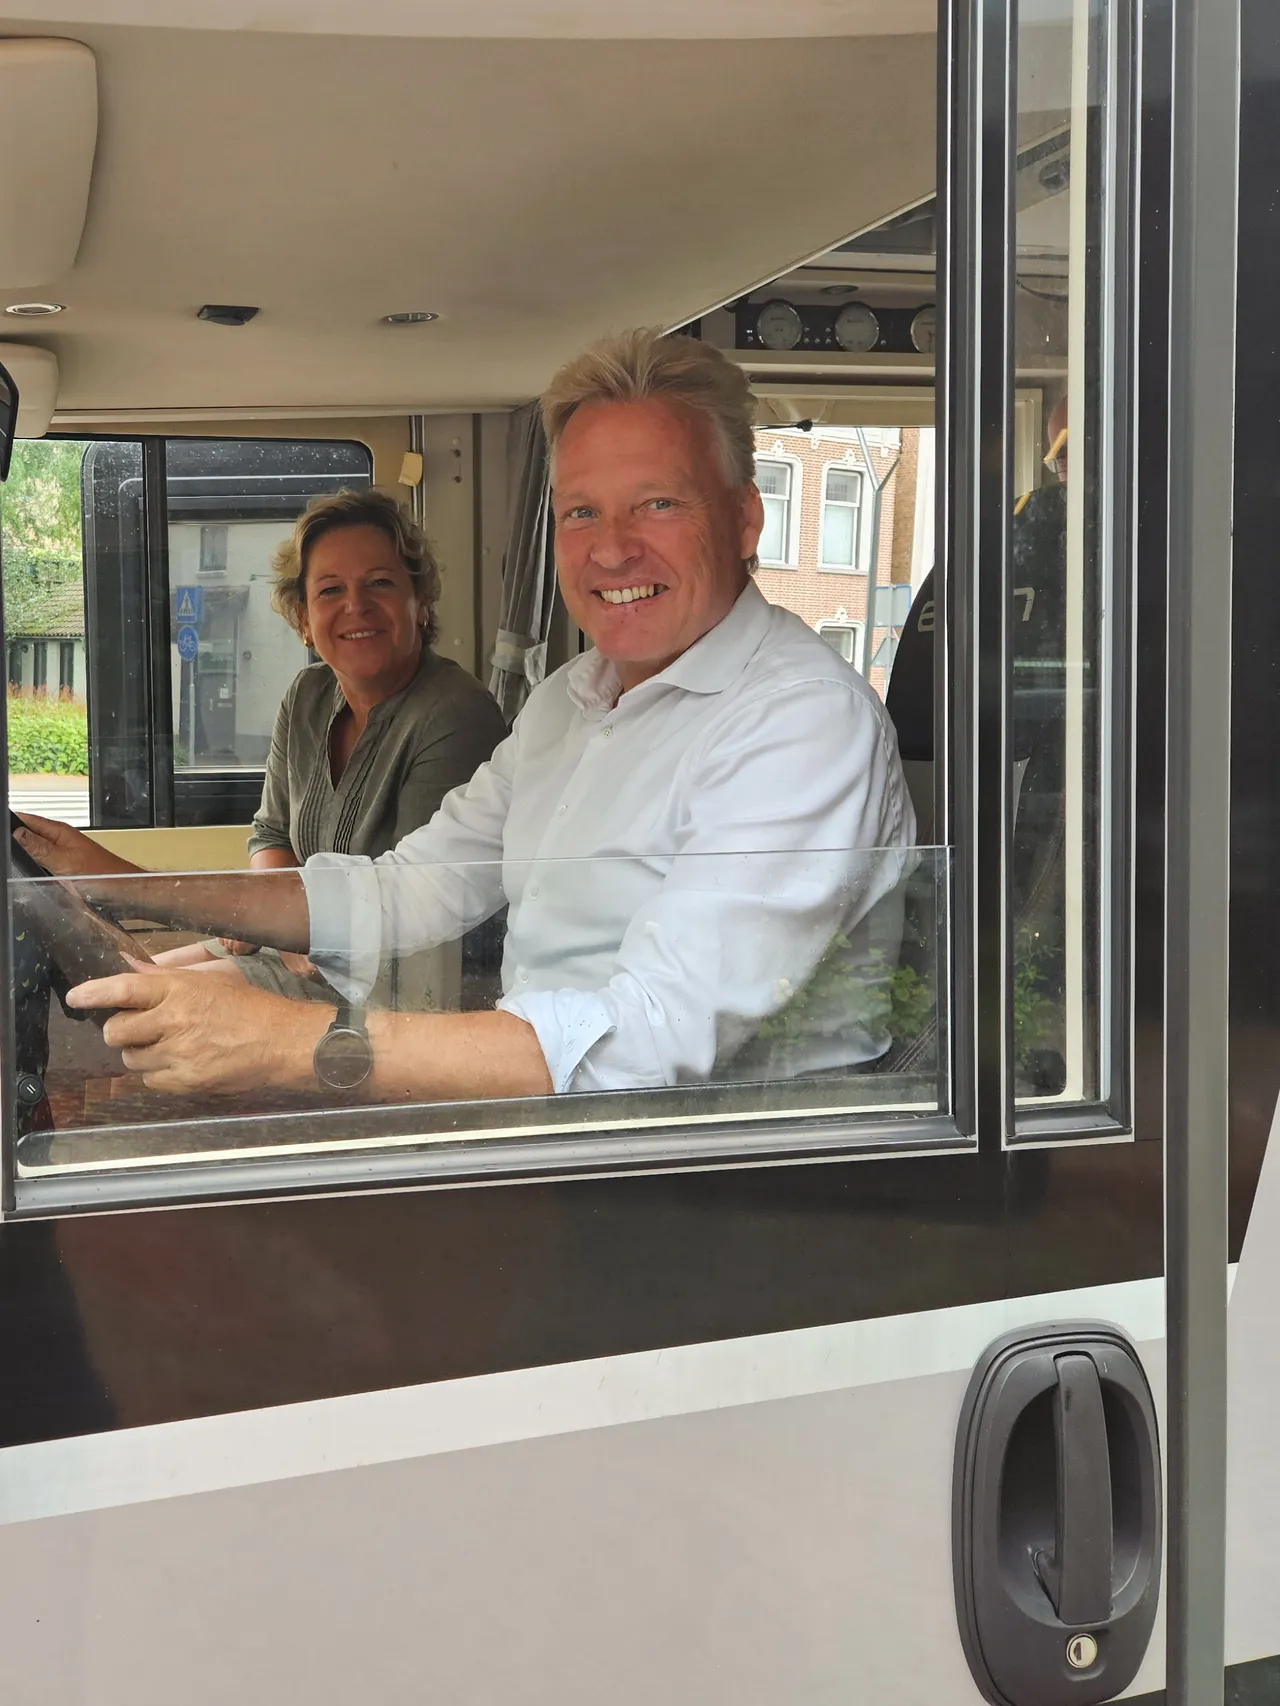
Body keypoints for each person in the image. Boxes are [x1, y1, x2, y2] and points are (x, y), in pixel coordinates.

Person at [26, 328, 915, 1102]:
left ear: (745, 519)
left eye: (658, 503)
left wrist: (287, 1042)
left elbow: (654, 1036)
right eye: (581, 511)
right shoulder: (571, 699)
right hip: (566, 1141)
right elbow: (409, 888)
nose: (612, 549)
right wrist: (121, 886)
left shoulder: (802, 721)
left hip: (737, 1178)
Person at [25, 488, 508, 1001]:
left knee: (134, 998)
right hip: (292, 936)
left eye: (380, 583)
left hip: (385, 984)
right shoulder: (308, 695)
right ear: (303, 620)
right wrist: (271, 918)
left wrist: (290, 927)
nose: (356, 605)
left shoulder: (454, 714)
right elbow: (271, 833)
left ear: (421, 604)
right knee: (109, 980)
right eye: (330, 590)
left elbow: (415, 913)